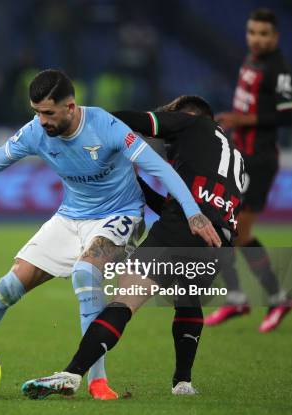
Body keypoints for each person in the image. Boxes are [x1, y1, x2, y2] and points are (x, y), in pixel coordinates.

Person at [0, 70, 221, 400]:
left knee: (85, 274)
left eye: (48, 113)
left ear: (70, 107)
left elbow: (160, 168)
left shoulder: (107, 127)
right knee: (9, 286)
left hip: (120, 215)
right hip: (70, 216)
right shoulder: (35, 132)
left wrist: (193, 212)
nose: (41, 120)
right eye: (36, 112)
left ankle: (97, 381)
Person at [21, 95, 243, 399]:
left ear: (190, 115)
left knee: (123, 302)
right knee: (188, 301)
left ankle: (72, 374)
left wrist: (89, 124)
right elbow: (185, 205)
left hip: (183, 227)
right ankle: (183, 382)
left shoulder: (192, 122)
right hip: (219, 238)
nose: (166, 142)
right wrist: (137, 185)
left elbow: (138, 121)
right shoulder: (233, 156)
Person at [207, 8, 292, 332]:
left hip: (259, 160)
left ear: (276, 37)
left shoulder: (279, 70)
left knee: (232, 232)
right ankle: (246, 299)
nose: (256, 39)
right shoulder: (250, 60)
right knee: (228, 232)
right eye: (252, 32)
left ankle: (265, 298)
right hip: (240, 155)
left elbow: (288, 116)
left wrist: (241, 120)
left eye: (263, 34)